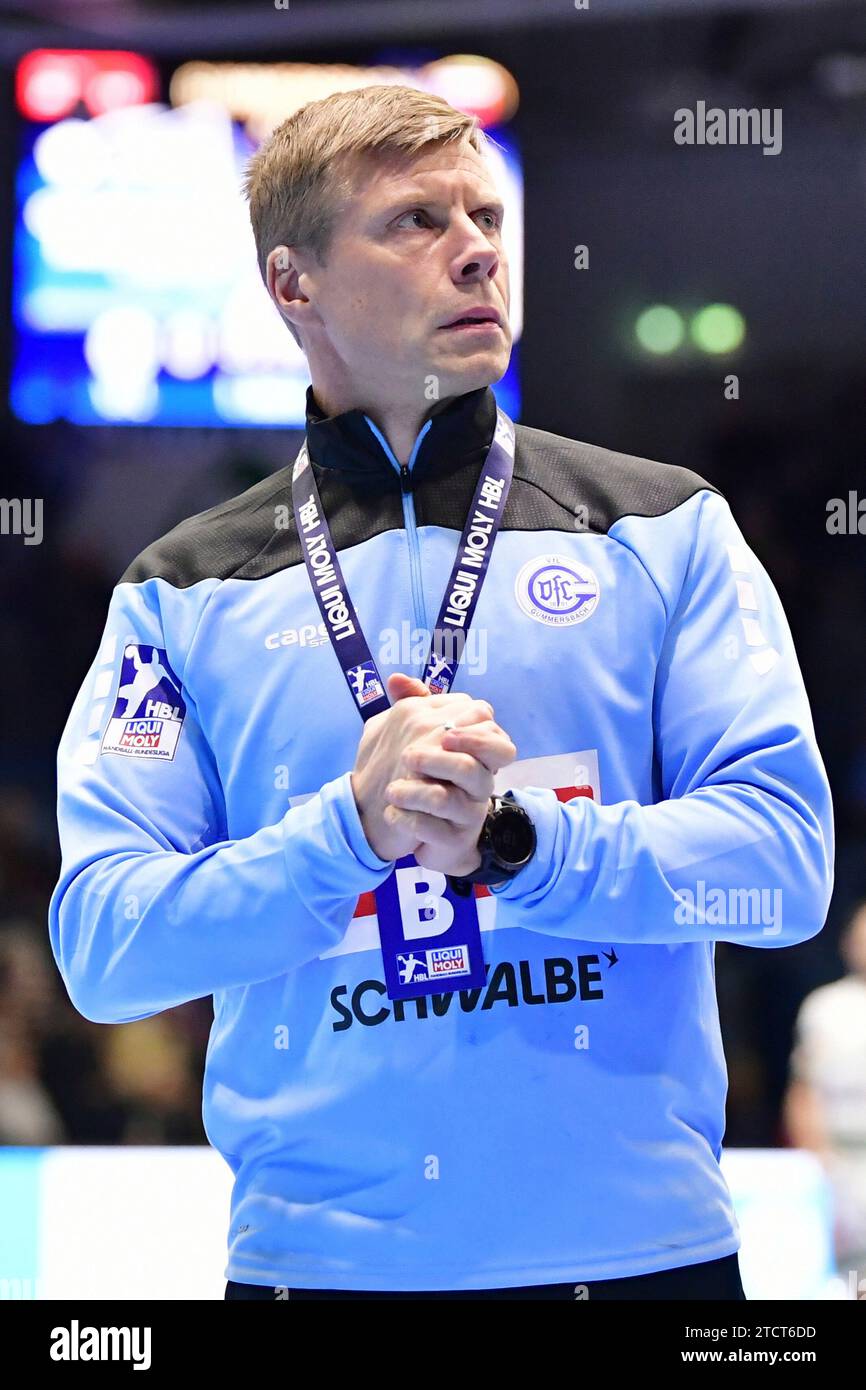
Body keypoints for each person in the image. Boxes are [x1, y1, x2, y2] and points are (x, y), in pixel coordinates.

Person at [48, 84, 834, 1301]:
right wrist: (342, 837)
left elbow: (783, 868)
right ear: (291, 285)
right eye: (413, 221)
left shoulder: (661, 528)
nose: (475, 247)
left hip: (644, 1259)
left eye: (483, 213)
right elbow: (106, 944)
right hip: (320, 1267)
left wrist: (519, 843)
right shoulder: (182, 594)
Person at [784, 898, 866, 1296]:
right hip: (841, 1161)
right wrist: (818, 1165)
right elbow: (804, 1091)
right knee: (850, 1278)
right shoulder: (825, 1006)